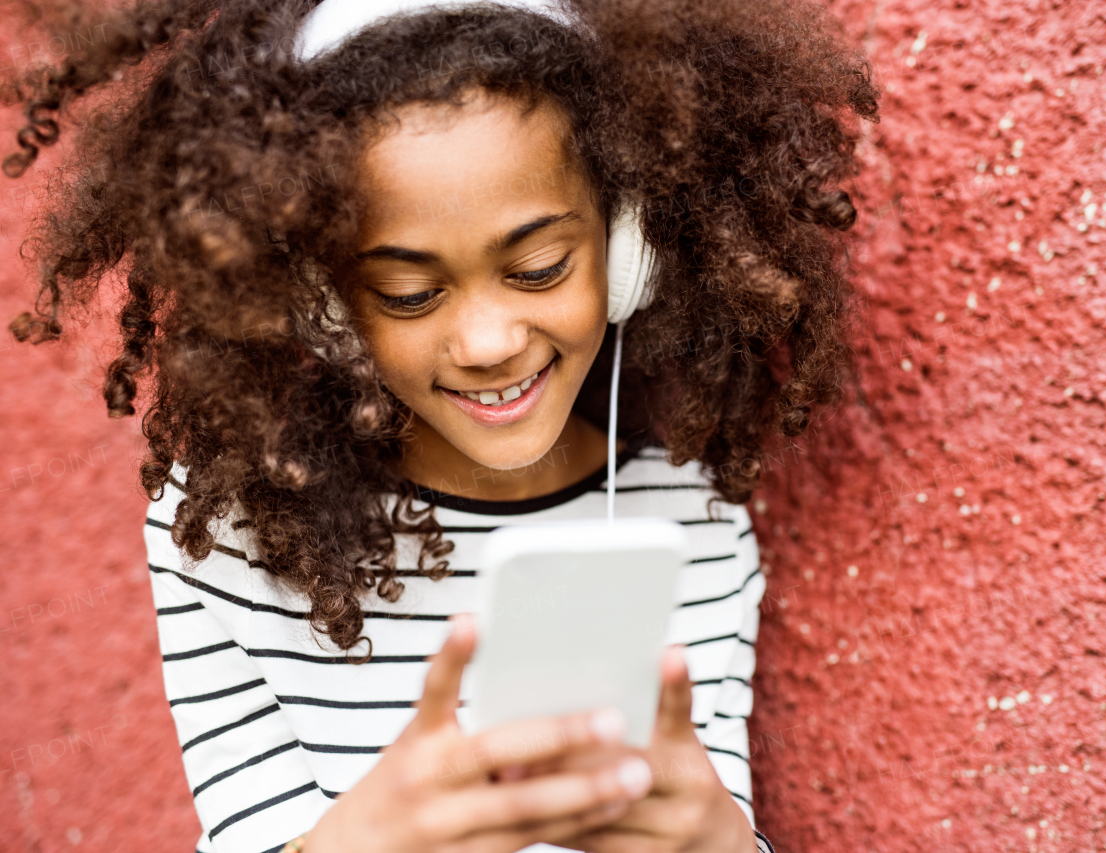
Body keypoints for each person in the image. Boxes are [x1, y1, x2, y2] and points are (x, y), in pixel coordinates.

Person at [3, 0, 879, 850]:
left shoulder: (691, 516)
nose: (489, 342)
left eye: (537, 268)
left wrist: (718, 843)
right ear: (323, 302)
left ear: (627, 249)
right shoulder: (229, 538)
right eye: (410, 294)